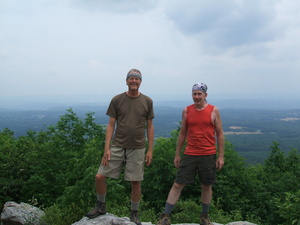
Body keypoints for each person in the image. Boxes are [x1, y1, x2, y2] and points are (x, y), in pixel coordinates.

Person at [86, 69, 154, 225]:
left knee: (135, 181)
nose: (134, 81)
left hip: (137, 147)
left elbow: (150, 127)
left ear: (140, 82)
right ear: (126, 81)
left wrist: (150, 150)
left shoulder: (147, 101)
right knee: (100, 176)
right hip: (117, 145)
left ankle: (134, 213)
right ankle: (101, 206)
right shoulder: (117, 100)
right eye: (131, 78)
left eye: (137, 79)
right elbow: (111, 125)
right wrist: (106, 149)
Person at [156, 83, 224, 225]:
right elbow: (182, 133)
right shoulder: (187, 111)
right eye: (194, 94)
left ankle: (204, 217)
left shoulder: (213, 110)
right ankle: (165, 216)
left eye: (199, 94)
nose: (196, 97)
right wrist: (177, 154)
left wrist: (221, 156)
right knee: (178, 184)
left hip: (208, 153)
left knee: (206, 185)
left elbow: (220, 134)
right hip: (190, 153)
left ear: (205, 95)